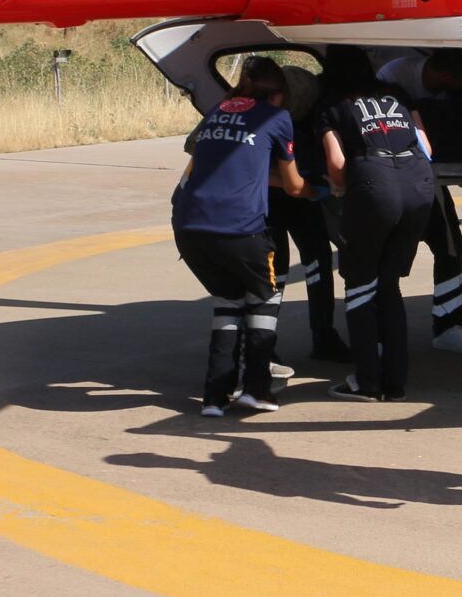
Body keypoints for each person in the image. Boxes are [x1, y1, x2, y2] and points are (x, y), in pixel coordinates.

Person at [169, 57, 307, 417]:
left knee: (227, 304)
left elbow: (218, 166)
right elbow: (292, 186)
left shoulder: (217, 111)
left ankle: (215, 397)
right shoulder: (277, 118)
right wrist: (322, 189)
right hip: (239, 228)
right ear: (278, 94)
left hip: (189, 229)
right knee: (264, 301)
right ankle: (256, 389)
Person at [315, 44, 437, 403]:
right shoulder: (396, 94)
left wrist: (339, 190)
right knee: (389, 285)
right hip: (419, 182)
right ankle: (395, 382)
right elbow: (426, 146)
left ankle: (367, 381)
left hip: (373, 183)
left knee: (360, 285)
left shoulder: (332, 106)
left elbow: (337, 163)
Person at [379, 50, 462, 354]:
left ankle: (449, 322)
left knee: (449, 244)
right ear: (447, 77)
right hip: (394, 174)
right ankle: (381, 330)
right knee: (390, 256)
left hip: (425, 173)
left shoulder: (450, 92)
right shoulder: (395, 77)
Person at [270, 64, 350, 363]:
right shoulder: (308, 114)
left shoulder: (265, 115)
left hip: (295, 195)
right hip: (292, 195)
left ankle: (318, 337)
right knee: (296, 267)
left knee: (299, 266)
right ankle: (319, 338)